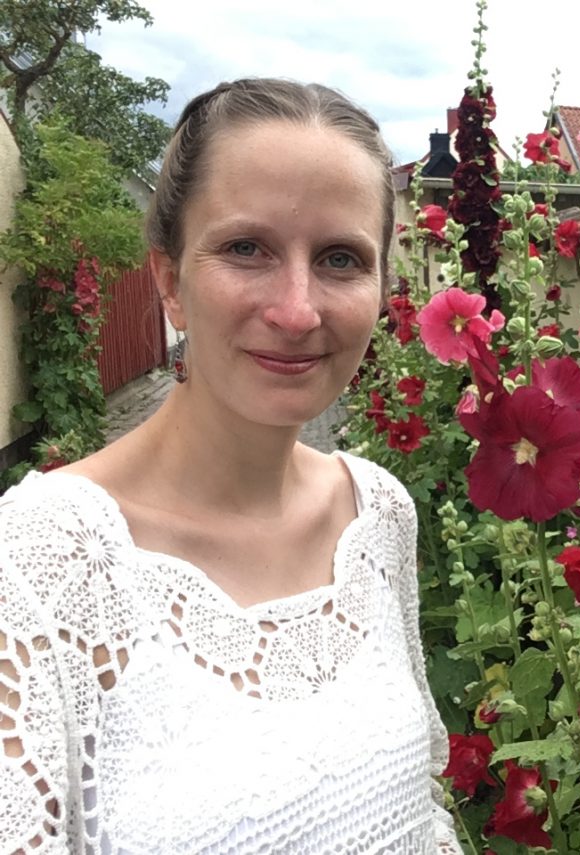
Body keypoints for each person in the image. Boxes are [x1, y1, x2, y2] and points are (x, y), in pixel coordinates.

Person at [0, 79, 461, 853]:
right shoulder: (39, 569)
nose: (297, 311)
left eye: (341, 258)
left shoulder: (377, 511)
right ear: (169, 281)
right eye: (247, 248)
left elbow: (424, 813)